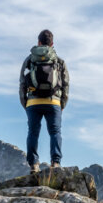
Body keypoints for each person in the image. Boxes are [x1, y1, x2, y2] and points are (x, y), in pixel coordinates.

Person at [19, 29, 70, 173]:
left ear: (38, 42)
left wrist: (26, 103)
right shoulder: (59, 61)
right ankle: (55, 163)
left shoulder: (29, 60)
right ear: (52, 44)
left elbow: (22, 82)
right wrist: (62, 103)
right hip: (53, 101)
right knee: (55, 132)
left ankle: (34, 165)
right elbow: (66, 84)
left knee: (33, 132)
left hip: (33, 102)